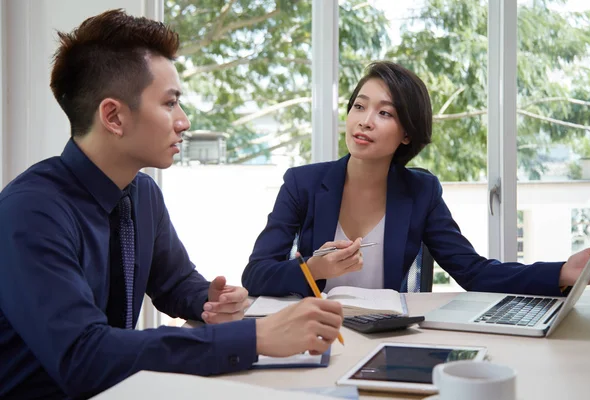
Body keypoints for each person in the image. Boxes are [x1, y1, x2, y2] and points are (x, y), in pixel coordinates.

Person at [0, 10, 343, 400]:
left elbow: (174, 283)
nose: (184, 121)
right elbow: (84, 357)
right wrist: (254, 336)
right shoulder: (29, 213)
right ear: (113, 116)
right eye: (170, 103)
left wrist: (207, 300)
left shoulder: (141, 194)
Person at [242, 61, 590, 298]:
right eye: (359, 106)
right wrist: (313, 268)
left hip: (383, 338)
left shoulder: (421, 192)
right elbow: (256, 274)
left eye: (385, 113)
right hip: (311, 335)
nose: (365, 121)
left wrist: (563, 272)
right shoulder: (302, 183)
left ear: (407, 134)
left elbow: (473, 272)